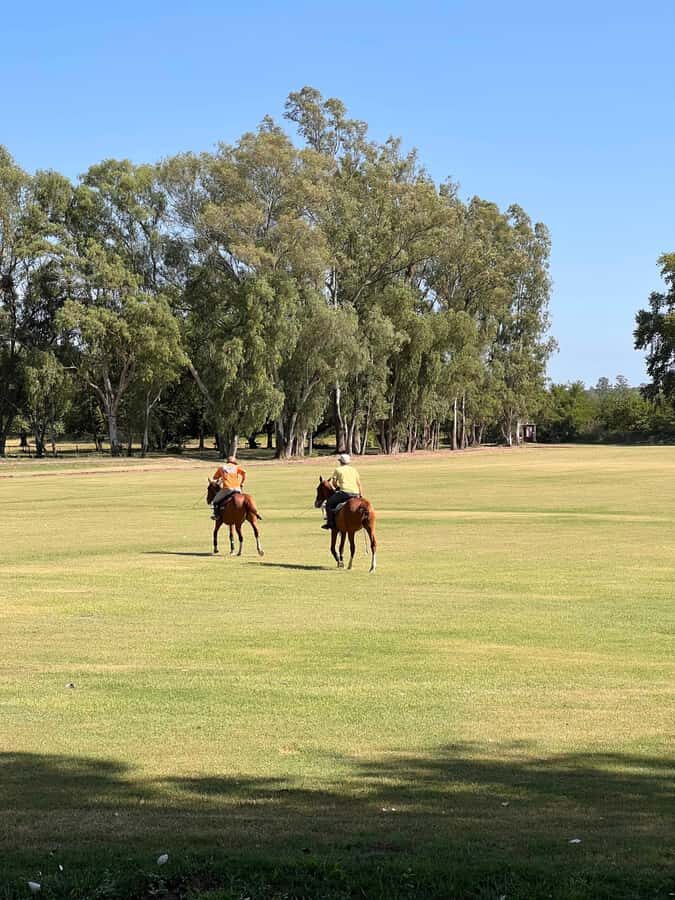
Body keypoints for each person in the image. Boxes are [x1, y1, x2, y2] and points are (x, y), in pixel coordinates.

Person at [322, 452, 363, 530]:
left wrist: (337, 487)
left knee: (329, 504)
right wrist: (360, 495)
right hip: (356, 493)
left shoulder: (338, 470)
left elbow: (334, 483)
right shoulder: (354, 470)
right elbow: (359, 483)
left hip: (344, 492)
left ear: (340, 461)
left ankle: (330, 523)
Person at [211, 455, 247, 520]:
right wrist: (242, 482)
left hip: (227, 488)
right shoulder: (236, 467)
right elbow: (244, 472)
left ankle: (216, 515)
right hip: (237, 488)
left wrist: (222, 477)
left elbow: (215, 478)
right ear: (234, 462)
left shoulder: (221, 467)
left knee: (215, 501)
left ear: (227, 461)